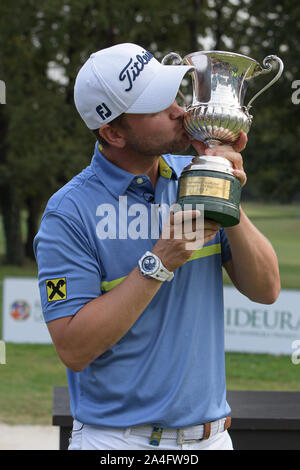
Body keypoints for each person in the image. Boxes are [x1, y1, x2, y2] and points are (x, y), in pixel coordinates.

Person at [33, 43, 280, 451]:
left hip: (211, 438)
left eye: (173, 95)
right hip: (117, 443)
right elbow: (73, 348)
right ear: (113, 133)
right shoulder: (68, 212)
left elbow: (266, 289)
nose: (179, 111)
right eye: (155, 107)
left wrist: (227, 192)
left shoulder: (194, 176)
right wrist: (159, 261)